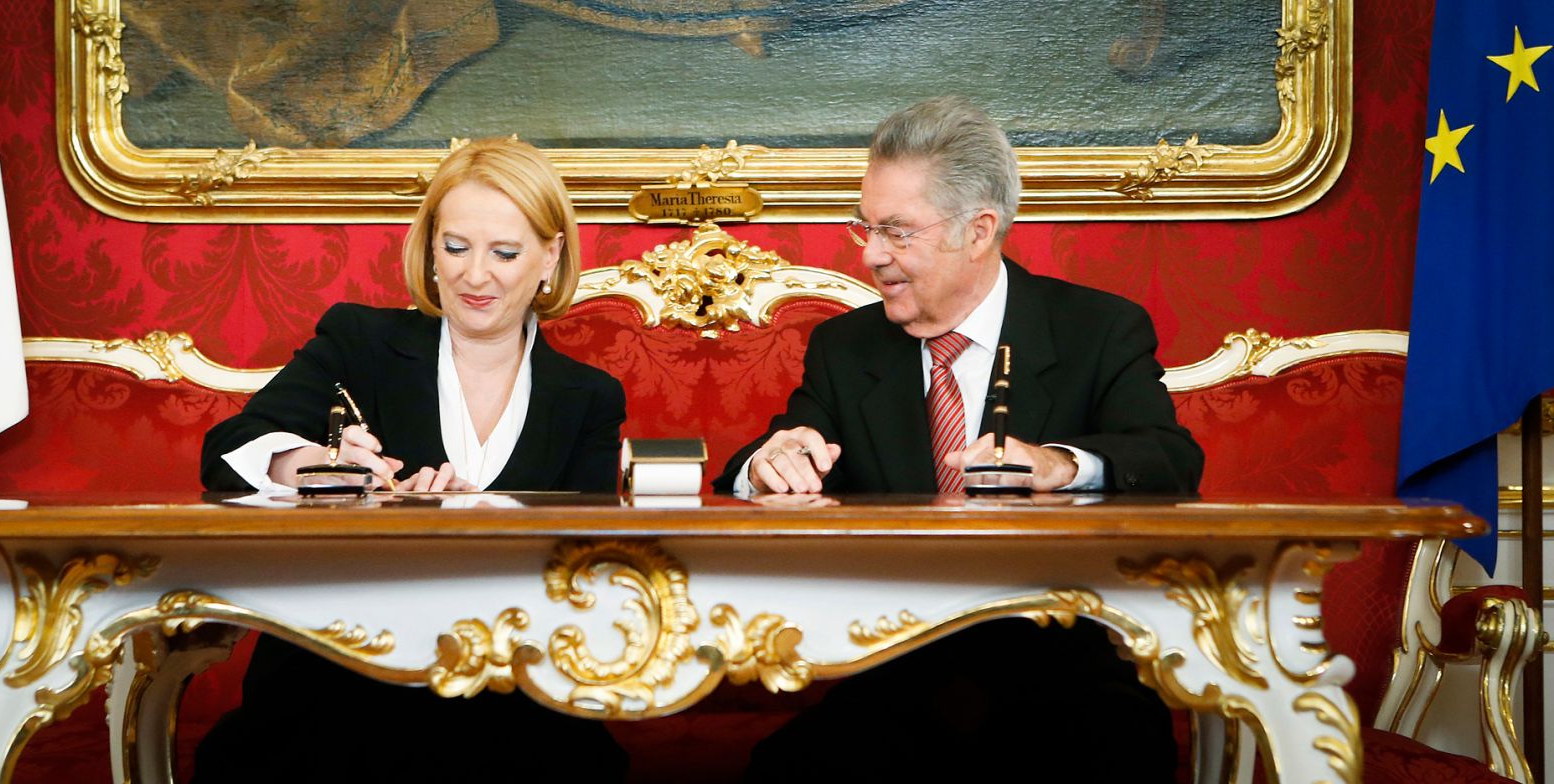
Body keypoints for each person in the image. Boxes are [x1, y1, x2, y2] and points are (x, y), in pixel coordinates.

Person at [718, 97, 1203, 779]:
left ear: (978, 231)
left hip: (1063, 676)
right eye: (865, 228)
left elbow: (1171, 460)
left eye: (896, 232)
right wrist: (766, 464)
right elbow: (769, 454)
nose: (872, 256)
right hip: (893, 674)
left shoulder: (1097, 330)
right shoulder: (844, 347)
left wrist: (1060, 465)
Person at [195, 137, 627, 781]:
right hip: (342, 675)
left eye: (504, 253)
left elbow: (588, 571)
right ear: (429, 250)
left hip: (517, 691)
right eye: (455, 247)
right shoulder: (359, 342)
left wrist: (481, 516)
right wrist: (314, 466)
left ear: (550, 256)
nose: (474, 275)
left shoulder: (589, 397)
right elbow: (225, 452)